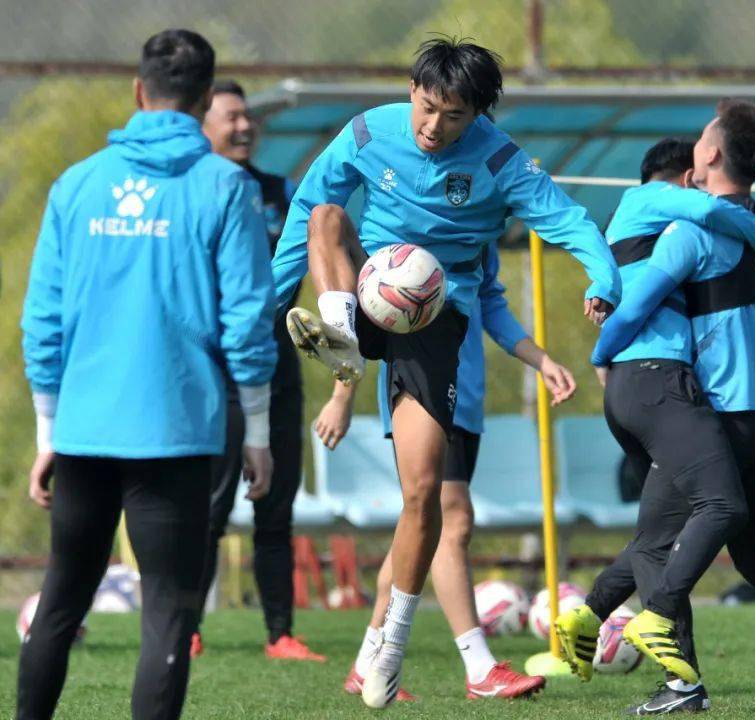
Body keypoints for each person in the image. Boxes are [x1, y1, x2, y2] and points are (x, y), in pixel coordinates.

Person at [270, 37, 620, 709]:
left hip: (435, 319)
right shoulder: (368, 132)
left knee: (425, 494)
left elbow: (568, 220)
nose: (433, 126)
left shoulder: (499, 160)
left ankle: (389, 649)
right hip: (367, 288)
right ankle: (342, 333)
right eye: (426, 107)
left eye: (453, 116)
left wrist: (603, 278)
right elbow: (307, 212)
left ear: (477, 115)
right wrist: (272, 300)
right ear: (411, 90)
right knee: (326, 215)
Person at [569, 100, 755, 713]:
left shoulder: (693, 232)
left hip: (725, 412)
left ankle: (674, 676)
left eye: (703, 137)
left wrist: (601, 351)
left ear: (709, 154)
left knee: (655, 541)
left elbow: (638, 304)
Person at [18, 29, 276, 720]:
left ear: (139, 91)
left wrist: (48, 428)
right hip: (176, 432)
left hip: (85, 430)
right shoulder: (226, 187)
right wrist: (257, 431)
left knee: (61, 601)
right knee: (167, 610)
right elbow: (247, 319)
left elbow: (43, 321)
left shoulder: (78, 184)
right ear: (205, 100)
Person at [553, 137, 755, 715]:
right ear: (681, 179)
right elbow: (712, 213)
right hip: (658, 381)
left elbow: (615, 279)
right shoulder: (656, 198)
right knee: (722, 506)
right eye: (695, 177)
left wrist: (600, 298)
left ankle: (590, 618)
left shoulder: (634, 224)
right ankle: (664, 642)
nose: (702, 186)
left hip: (634, 391)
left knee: (657, 532)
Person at [317, 238, 575, 700]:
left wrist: (541, 359)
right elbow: (366, 306)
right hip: (419, 388)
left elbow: (491, 305)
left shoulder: (481, 235)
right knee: (453, 518)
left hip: (466, 397)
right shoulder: (404, 223)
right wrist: (342, 395)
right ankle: (479, 666)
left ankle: (366, 661)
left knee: (420, 530)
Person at [191, 79, 323, 662]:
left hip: (277, 365)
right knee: (209, 505)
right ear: (203, 126)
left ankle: (280, 634)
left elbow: (312, 252)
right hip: (214, 373)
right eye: (231, 117)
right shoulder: (193, 191)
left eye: (248, 117)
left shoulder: (280, 193)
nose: (244, 126)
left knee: (277, 503)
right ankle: (186, 626)